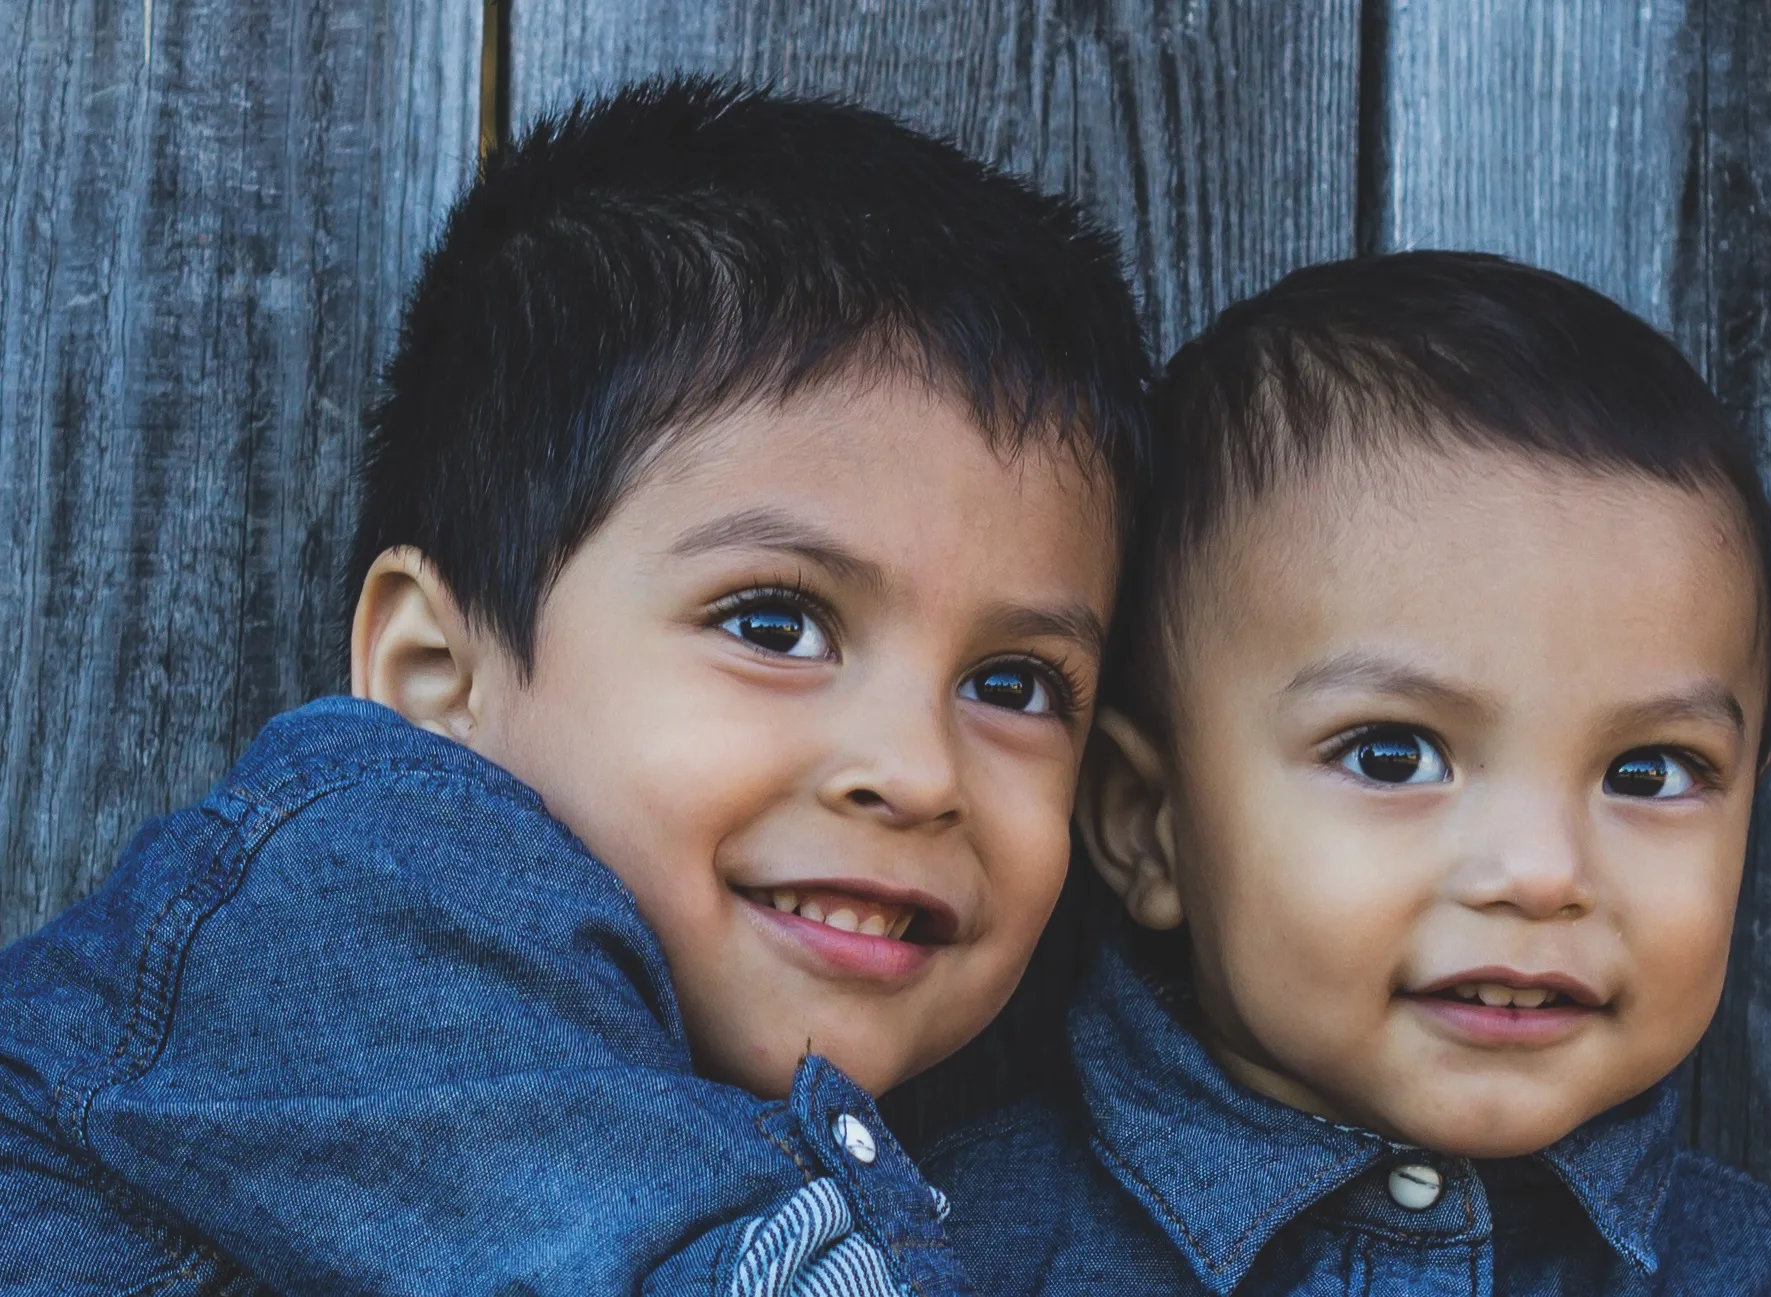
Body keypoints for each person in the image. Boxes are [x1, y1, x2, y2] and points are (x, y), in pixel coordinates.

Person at [0, 77, 1148, 1295]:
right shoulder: (357, 911)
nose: (920, 772)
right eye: (776, 622)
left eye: (1014, 683)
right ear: (435, 678)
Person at [924, 252, 1771, 1294]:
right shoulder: (946, 1251)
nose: (1541, 873)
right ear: (1148, 823)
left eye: (1649, 772)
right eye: (1394, 756)